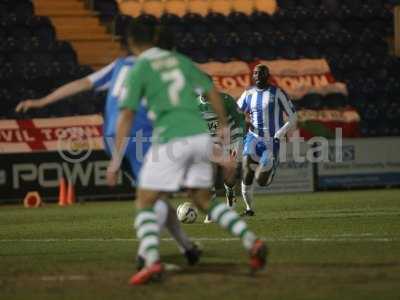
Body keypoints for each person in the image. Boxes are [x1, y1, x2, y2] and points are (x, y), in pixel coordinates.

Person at [15, 28, 200, 269]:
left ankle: (187, 248)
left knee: (156, 197)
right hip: (138, 136)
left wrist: (41, 101)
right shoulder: (155, 67)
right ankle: (146, 256)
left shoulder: (119, 65)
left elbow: (82, 83)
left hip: (112, 137)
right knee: (156, 197)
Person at [107, 19, 267, 285]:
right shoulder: (183, 63)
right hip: (200, 138)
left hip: (171, 138)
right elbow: (212, 93)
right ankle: (252, 242)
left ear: (134, 43)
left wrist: (115, 159)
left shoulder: (141, 67)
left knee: (146, 200)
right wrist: (225, 135)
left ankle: (151, 261)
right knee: (205, 200)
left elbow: (126, 114)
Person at [237, 64, 297, 216]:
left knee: (261, 181)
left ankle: (270, 168)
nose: (257, 75)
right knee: (246, 170)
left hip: (271, 141)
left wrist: (278, 134)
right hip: (253, 138)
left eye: (260, 73)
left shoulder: (277, 93)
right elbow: (236, 111)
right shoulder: (248, 93)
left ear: (267, 75)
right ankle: (249, 209)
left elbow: (293, 117)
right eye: (255, 73)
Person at [198, 91, 245, 223]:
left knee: (228, 179)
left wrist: (239, 141)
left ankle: (230, 194)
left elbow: (239, 119)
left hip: (229, 141)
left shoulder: (225, 99)